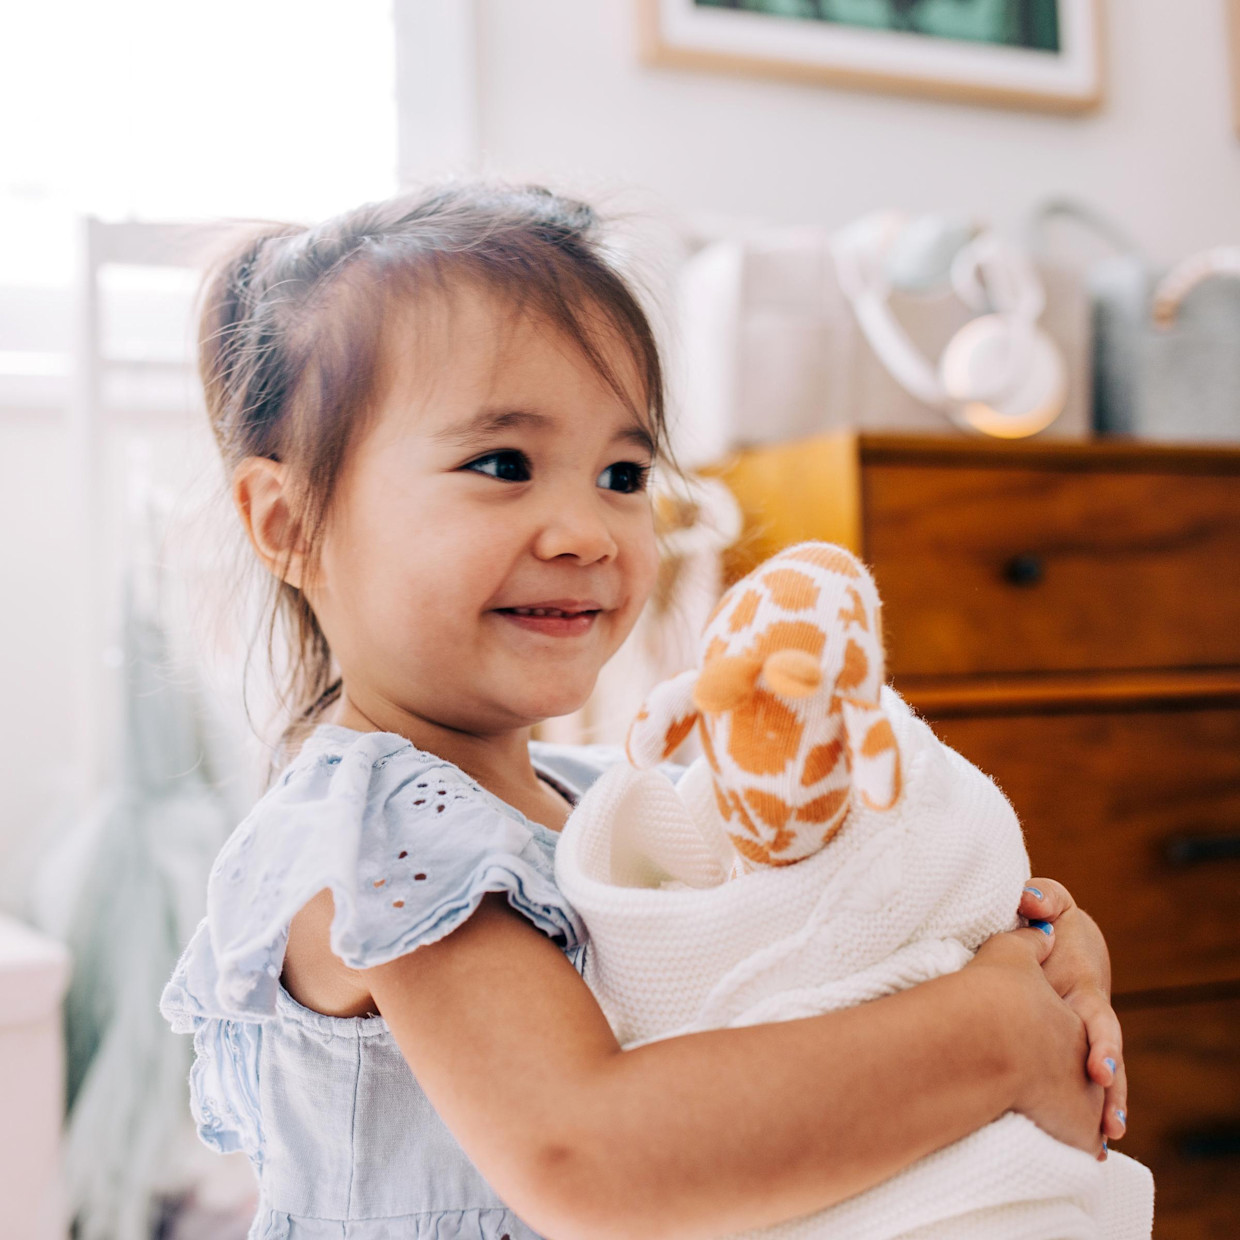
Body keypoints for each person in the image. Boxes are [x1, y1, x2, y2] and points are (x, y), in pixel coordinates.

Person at [161, 183, 1128, 1240]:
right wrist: (981, 1034)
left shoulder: (603, 808)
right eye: (502, 464)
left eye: (622, 472)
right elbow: (590, 1158)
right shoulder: (377, 834)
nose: (586, 529)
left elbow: (794, 978)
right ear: (289, 521)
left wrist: (1023, 955)